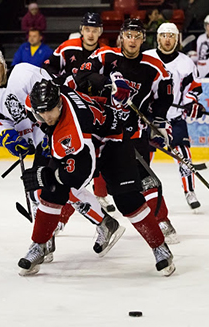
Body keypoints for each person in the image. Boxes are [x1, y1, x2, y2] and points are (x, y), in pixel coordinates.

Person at [0, 44, 125, 261]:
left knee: (54, 188)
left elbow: (55, 100)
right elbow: (1, 122)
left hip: (57, 139)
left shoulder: (24, 72)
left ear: (2, 61)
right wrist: (9, 137)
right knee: (39, 192)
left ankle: (50, 240)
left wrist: (51, 134)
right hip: (40, 144)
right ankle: (97, 225)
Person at [18, 79, 176, 277]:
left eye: (51, 110)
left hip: (112, 144)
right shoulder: (43, 102)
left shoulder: (72, 128)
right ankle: (39, 246)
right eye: (42, 111)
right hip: (90, 136)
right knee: (52, 193)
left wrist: (51, 175)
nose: (46, 116)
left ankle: (160, 247)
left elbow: (82, 175)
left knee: (127, 200)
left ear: (59, 103)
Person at [74, 19, 178, 243]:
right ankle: (58, 224)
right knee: (75, 175)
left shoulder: (155, 67)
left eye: (137, 36)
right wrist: (109, 82)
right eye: (128, 36)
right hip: (100, 130)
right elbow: (81, 75)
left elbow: (166, 95)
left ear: (143, 39)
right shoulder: (105, 56)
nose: (132, 40)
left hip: (134, 132)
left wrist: (158, 121)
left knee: (145, 178)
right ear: (121, 37)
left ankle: (162, 221)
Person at [42, 12, 115, 213]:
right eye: (87, 30)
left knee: (98, 151)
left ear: (100, 31)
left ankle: (100, 193)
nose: (91, 34)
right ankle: (66, 201)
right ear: (82, 30)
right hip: (69, 110)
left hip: (95, 110)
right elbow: (48, 68)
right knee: (71, 155)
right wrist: (60, 83)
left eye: (95, 30)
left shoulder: (107, 53)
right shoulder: (68, 47)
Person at [145, 22, 204, 213]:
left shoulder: (186, 62)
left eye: (171, 36)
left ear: (176, 39)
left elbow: (194, 87)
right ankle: (141, 193)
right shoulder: (147, 58)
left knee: (184, 156)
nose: (168, 39)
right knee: (144, 158)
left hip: (175, 117)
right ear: (158, 38)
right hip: (151, 119)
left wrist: (190, 102)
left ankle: (190, 191)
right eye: (164, 35)